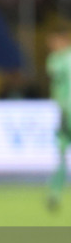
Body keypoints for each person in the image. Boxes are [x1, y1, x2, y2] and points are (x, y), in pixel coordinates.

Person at [45, 24, 71, 211]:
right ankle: (54, 192)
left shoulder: (56, 59)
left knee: (61, 153)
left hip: (66, 110)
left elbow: (52, 73)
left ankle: (55, 191)